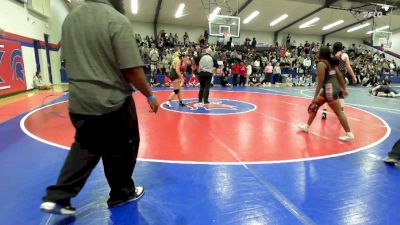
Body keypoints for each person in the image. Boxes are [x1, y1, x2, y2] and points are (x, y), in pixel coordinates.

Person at [40, 0, 160, 215]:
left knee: (86, 147)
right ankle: (122, 193)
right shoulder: (115, 19)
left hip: (79, 101)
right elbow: (131, 68)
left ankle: (58, 196)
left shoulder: (70, 19)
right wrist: (150, 95)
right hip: (110, 100)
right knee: (123, 147)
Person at [298, 46, 354, 141]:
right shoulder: (331, 62)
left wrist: (315, 96)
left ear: (321, 54)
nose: (316, 53)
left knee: (339, 112)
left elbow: (321, 81)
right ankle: (307, 126)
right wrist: (343, 88)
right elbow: (340, 75)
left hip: (329, 90)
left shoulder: (321, 64)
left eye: (318, 52)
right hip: (332, 88)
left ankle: (349, 134)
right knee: (315, 106)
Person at [321, 41, 357, 119]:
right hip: (340, 76)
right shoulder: (344, 56)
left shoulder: (330, 55)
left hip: (331, 75)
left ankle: (324, 112)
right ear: (341, 48)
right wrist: (353, 76)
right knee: (341, 95)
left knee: (327, 94)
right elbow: (348, 67)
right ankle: (341, 112)